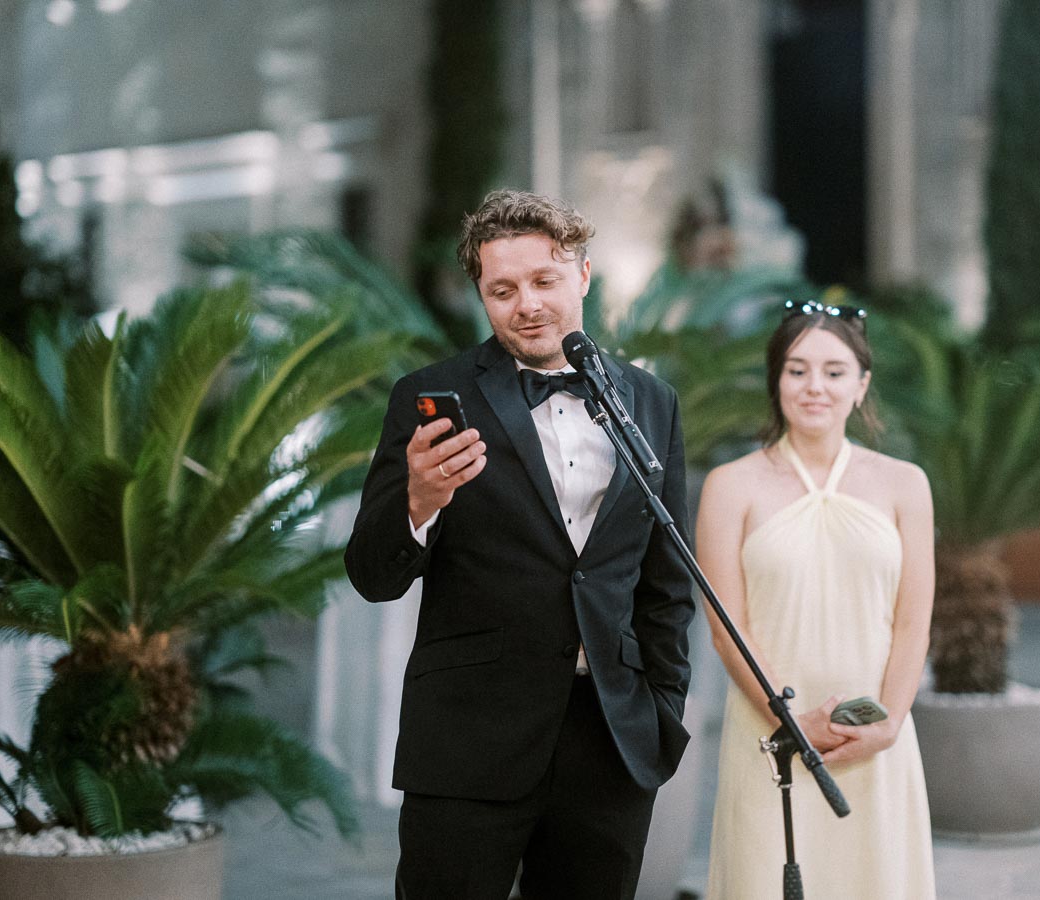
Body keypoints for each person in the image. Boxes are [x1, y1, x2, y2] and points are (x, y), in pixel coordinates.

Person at [344, 189, 695, 900]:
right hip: (470, 739)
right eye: (502, 290)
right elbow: (371, 574)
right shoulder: (431, 394)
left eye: (544, 282)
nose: (526, 305)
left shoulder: (652, 402)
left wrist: (661, 705)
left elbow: (667, 580)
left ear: (584, 276)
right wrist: (419, 502)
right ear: (481, 292)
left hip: (611, 738)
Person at [698, 300, 936, 899]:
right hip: (772, 733)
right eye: (797, 369)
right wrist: (791, 722)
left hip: (875, 733)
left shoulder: (905, 484)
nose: (815, 387)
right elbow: (729, 628)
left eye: (834, 372)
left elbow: (913, 624)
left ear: (862, 386)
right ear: (776, 380)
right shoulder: (731, 487)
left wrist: (888, 725)